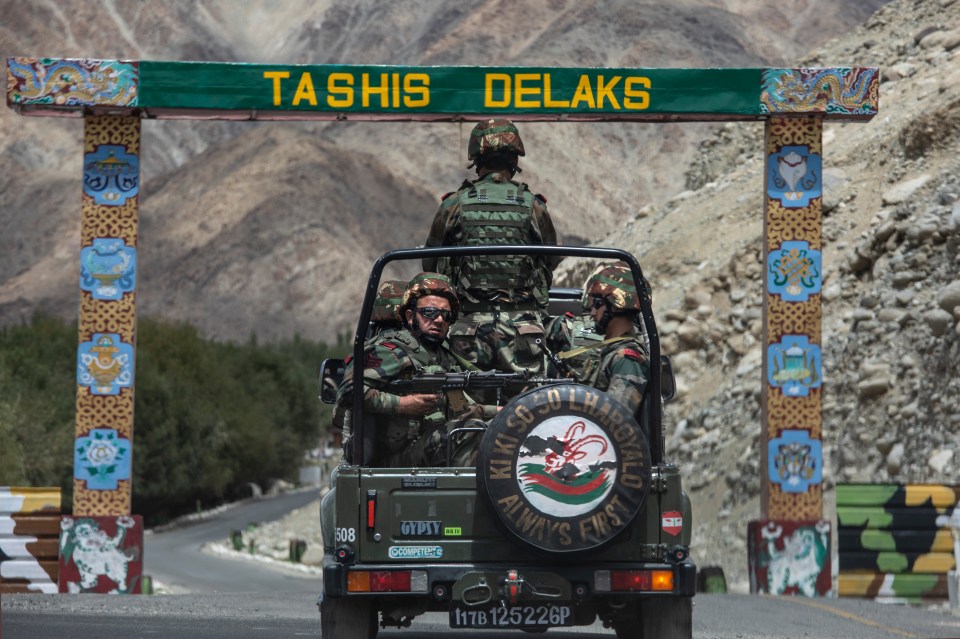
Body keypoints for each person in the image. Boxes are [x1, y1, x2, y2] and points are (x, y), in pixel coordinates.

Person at [423, 118, 561, 374]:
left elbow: (430, 266)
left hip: (468, 329)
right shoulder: (534, 205)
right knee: (527, 405)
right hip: (524, 328)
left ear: (476, 159)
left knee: (466, 404)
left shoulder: (454, 204)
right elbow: (551, 259)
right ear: (514, 159)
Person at [336, 272, 464, 467]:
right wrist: (404, 404)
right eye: (430, 312)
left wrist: (500, 412)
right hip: (395, 461)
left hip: (432, 451)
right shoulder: (392, 351)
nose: (439, 320)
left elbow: (461, 407)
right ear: (410, 316)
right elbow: (348, 391)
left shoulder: (443, 357)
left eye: (446, 315)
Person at [579, 262, 651, 419]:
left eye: (597, 305)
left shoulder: (628, 360)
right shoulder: (611, 352)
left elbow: (613, 421)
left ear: (617, 306)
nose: (592, 313)